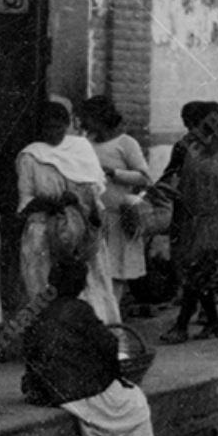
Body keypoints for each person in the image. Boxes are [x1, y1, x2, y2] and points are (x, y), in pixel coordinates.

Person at [20, 258, 160, 436]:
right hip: (78, 387)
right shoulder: (80, 309)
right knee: (133, 403)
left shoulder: (38, 310)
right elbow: (107, 344)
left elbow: (29, 353)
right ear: (81, 284)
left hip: (49, 388)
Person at [18, 100, 119, 325]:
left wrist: (79, 198)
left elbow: (96, 189)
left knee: (90, 282)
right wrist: (50, 202)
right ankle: (50, 339)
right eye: (47, 128)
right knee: (44, 285)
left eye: (58, 127)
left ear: (67, 125)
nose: (52, 133)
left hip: (82, 230)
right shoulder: (31, 156)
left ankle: (95, 333)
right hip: (45, 233)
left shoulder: (81, 149)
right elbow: (25, 201)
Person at [162, 103, 218, 343]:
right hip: (186, 218)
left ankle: (181, 325)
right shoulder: (188, 149)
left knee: (197, 271)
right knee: (196, 271)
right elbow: (171, 177)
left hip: (211, 221)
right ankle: (214, 323)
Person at [77, 97, 151, 309]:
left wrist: (114, 173)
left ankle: (112, 319)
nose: (85, 124)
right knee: (94, 271)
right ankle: (100, 317)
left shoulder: (126, 144)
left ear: (102, 119)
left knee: (116, 271)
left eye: (89, 119)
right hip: (93, 217)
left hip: (118, 217)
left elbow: (144, 177)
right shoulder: (86, 144)